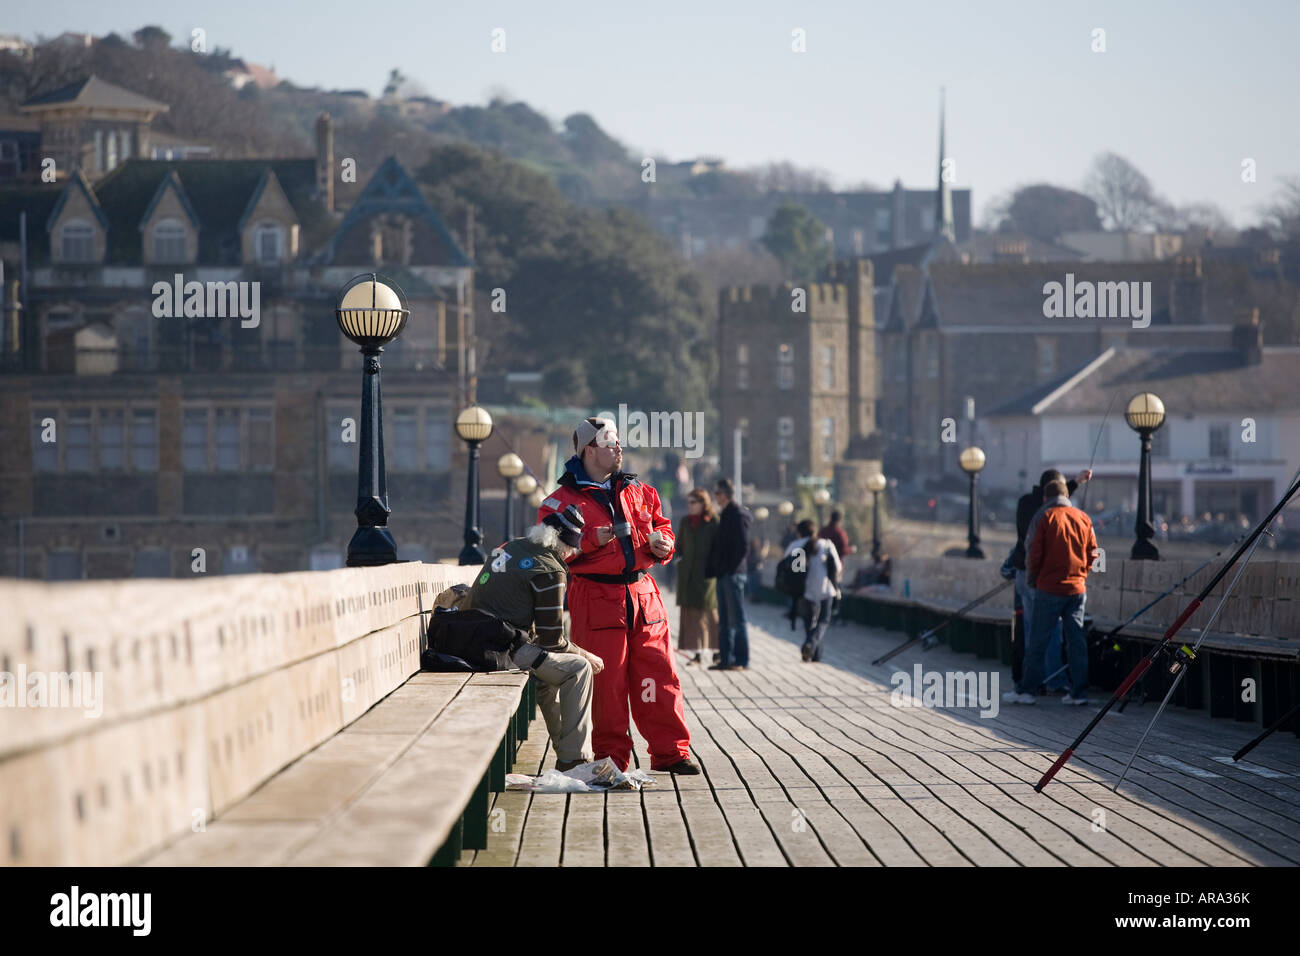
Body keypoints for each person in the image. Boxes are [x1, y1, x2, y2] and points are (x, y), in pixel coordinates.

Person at [537, 417, 698, 775]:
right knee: (606, 685)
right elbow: (550, 551)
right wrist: (594, 539)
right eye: (609, 443)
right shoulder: (558, 503)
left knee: (658, 677)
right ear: (589, 450)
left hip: (643, 596)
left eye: (618, 442)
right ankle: (611, 760)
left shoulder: (641, 491)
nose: (618, 448)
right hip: (596, 597)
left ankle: (671, 752)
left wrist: (664, 545)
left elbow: (662, 527)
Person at [466, 506, 599, 771]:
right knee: (578, 670)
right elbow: (553, 642)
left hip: (470, 637)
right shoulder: (549, 568)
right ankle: (574, 758)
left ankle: (569, 754)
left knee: (547, 675)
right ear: (561, 545)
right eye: (570, 549)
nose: (570, 555)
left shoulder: (511, 547)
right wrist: (586, 654)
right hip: (499, 647)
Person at [1004, 478, 1098, 706]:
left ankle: (1027, 691)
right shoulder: (1084, 518)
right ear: (1067, 496)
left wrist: (1033, 580)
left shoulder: (1044, 517)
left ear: (1046, 498)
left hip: (1049, 589)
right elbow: (1094, 552)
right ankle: (1078, 693)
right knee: (1076, 641)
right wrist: (1081, 574)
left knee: (1038, 641)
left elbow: (1033, 554)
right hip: (1076, 591)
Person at [705, 479, 752, 671]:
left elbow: (743, 547)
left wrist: (730, 569)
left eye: (716, 494)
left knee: (737, 619)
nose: (715, 497)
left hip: (733, 574)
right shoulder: (726, 515)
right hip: (724, 574)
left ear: (724, 494)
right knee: (724, 619)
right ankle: (726, 659)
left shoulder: (737, 514)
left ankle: (741, 660)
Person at [783, 519, 842, 662]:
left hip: (803, 590)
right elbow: (838, 568)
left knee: (809, 622)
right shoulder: (826, 545)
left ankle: (812, 651)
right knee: (823, 620)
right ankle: (811, 646)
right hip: (826, 589)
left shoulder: (795, 546)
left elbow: (788, 568)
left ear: (799, 533)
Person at [674, 488, 719, 666]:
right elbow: (679, 545)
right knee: (691, 615)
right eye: (689, 503)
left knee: (709, 613)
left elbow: (720, 546)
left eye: (694, 502)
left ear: (703, 503)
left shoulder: (713, 522)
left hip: (707, 576)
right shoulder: (685, 522)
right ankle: (697, 654)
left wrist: (714, 566)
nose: (690, 506)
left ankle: (717, 651)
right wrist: (679, 560)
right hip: (688, 575)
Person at [746, 519, 769, 602]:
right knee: (754, 583)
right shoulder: (755, 551)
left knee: (752, 583)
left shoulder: (753, 549)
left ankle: (752, 596)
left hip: (752, 567)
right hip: (755, 567)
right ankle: (753, 597)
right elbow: (761, 556)